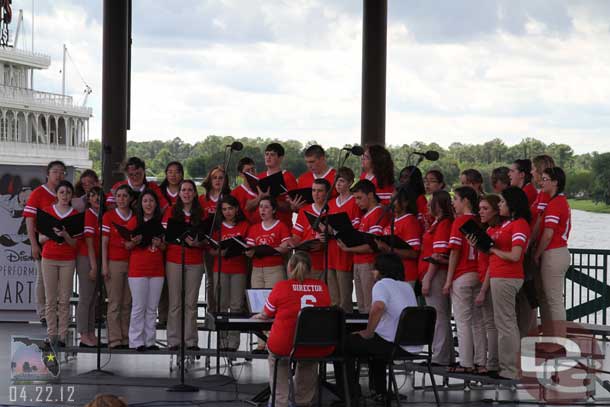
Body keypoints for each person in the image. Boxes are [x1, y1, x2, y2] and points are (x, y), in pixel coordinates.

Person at [338, 253, 420, 404]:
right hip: (411, 345)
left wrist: (368, 332)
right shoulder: (407, 286)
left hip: (394, 345)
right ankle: (380, 391)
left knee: (345, 344)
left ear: (382, 269)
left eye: (374, 268)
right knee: (376, 344)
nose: (372, 272)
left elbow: (378, 307)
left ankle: (349, 395)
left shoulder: (381, 285)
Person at [253, 251, 332, 407]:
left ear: (289, 267)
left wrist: (259, 316)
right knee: (308, 359)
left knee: (278, 359)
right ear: (310, 269)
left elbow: (266, 314)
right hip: (314, 343)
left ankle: (279, 401)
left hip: (285, 344)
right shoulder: (322, 287)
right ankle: (303, 401)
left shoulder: (281, 287)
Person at [488, 186, 531, 380]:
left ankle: (510, 369)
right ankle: (504, 366)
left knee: (506, 323)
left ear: (512, 204)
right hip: (499, 275)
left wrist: (494, 251)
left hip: (507, 276)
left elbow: (515, 255)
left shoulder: (520, 224)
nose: (499, 205)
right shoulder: (507, 224)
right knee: (503, 322)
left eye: (503, 202)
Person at [444, 186, 484, 374]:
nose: (453, 203)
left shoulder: (460, 221)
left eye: (456, 199)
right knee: (478, 321)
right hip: (479, 272)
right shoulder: (479, 220)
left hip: (462, 273)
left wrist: (448, 280)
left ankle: (466, 362)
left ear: (465, 201)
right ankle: (481, 361)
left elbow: (454, 251)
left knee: (463, 321)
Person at [162, 180, 205, 351]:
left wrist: (197, 243)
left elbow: (206, 239)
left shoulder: (201, 214)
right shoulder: (171, 212)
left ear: (195, 193)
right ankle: (173, 340)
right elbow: (166, 235)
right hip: (174, 259)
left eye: (190, 190)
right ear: (179, 193)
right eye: (183, 190)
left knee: (191, 304)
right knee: (175, 302)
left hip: (195, 261)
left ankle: (191, 341)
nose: (186, 193)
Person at [246, 196, 292, 353]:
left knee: (274, 305)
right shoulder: (254, 228)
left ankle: (273, 339)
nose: (262, 210)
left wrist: (270, 250)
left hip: (274, 268)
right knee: (258, 305)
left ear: (273, 210)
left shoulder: (281, 226)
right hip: (257, 269)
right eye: (260, 207)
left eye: (266, 207)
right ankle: (260, 343)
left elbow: (286, 247)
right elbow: (249, 251)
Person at [24, 160, 66, 325]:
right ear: (48, 174)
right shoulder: (38, 193)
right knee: (42, 278)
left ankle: (57, 312)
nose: (59, 174)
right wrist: (34, 244)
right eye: (55, 171)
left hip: (63, 245)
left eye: (62, 172)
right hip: (43, 243)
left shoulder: (65, 192)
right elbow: (29, 219)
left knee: (59, 282)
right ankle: (43, 313)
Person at [337, 179, 388, 313]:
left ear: (370, 195)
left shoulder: (377, 213)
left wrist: (348, 249)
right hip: (359, 261)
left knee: (369, 305)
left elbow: (372, 246)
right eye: (355, 199)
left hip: (368, 263)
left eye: (359, 198)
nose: (357, 202)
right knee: (362, 305)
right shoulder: (366, 215)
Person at [39, 180, 79, 347]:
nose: (65, 195)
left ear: (71, 195)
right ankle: (51, 335)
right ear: (56, 194)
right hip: (49, 258)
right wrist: (52, 233)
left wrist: (65, 234)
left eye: (68, 192)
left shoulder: (75, 214)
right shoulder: (47, 212)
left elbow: (76, 244)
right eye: (61, 192)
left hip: (67, 260)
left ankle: (62, 336)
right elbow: (40, 239)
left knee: (64, 299)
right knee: (50, 299)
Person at [533, 167, 571, 341]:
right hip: (558, 252)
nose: (542, 183)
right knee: (551, 299)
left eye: (546, 179)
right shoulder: (558, 201)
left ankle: (559, 340)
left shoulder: (556, 203)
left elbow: (548, 234)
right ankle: (553, 338)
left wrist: (536, 253)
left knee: (554, 300)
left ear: (555, 182)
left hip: (554, 253)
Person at [127, 190, 166, 351]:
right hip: (138, 269)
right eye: (145, 201)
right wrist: (134, 242)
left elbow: (165, 247)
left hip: (157, 270)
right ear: (140, 204)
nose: (148, 204)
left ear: (155, 204)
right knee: (138, 307)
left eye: (151, 201)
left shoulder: (161, 222)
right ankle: (136, 341)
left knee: (152, 308)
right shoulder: (134, 221)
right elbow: (127, 246)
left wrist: (159, 244)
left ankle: (150, 341)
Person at [209, 195, 249, 351]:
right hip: (220, 269)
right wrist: (219, 251)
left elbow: (249, 246)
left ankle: (233, 342)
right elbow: (210, 250)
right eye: (224, 209)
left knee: (237, 306)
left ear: (236, 209)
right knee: (221, 305)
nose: (227, 212)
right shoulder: (217, 227)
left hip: (239, 269)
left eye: (230, 208)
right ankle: (222, 341)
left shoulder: (244, 226)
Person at [418, 190, 454, 366]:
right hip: (431, 272)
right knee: (440, 315)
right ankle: (444, 354)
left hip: (436, 273)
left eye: (431, 202)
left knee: (439, 315)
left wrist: (428, 278)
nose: (427, 205)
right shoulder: (437, 223)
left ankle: (440, 356)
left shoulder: (444, 224)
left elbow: (438, 254)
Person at [470, 194, 502, 376]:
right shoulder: (488, 231)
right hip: (484, 278)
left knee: (491, 324)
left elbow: (492, 263)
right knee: (488, 322)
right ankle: (490, 361)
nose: (481, 212)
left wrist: (483, 290)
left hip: (489, 281)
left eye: (485, 209)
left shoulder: (496, 231)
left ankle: (493, 363)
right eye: (480, 208)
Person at [102, 184, 135, 349]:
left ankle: (125, 336)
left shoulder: (135, 217)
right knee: (114, 302)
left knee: (127, 302)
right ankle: (114, 338)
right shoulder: (109, 216)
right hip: (114, 262)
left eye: (125, 196)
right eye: (119, 196)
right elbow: (104, 242)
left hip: (132, 263)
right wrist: (104, 265)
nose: (121, 199)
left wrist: (133, 242)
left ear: (130, 199)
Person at [326, 167, 360, 312]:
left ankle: (345, 327)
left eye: (341, 181)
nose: (338, 184)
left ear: (350, 182)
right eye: (336, 181)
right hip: (332, 250)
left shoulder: (354, 202)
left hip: (345, 251)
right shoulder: (331, 202)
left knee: (345, 296)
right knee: (333, 296)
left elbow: (356, 226)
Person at [375, 185, 422, 285]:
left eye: (395, 199)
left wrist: (388, 249)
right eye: (391, 199)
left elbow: (414, 253)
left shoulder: (410, 221)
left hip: (405, 275)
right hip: (390, 274)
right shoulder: (393, 220)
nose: (391, 203)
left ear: (405, 202)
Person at [199, 166, 231, 312]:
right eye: (214, 177)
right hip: (208, 245)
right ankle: (211, 312)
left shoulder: (229, 199)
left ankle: (225, 311)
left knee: (224, 281)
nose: (218, 181)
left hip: (225, 244)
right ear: (209, 180)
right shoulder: (202, 200)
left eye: (221, 178)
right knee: (211, 281)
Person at [77, 186, 103, 347]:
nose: (97, 199)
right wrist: (94, 266)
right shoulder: (88, 215)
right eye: (93, 196)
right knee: (85, 298)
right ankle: (83, 334)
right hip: (87, 258)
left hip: (97, 257)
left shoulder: (101, 215)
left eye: (99, 196)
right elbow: (88, 242)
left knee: (94, 299)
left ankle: (91, 332)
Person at [290, 179, 330, 279]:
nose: (316, 194)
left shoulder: (332, 209)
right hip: (306, 263)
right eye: (313, 190)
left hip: (326, 263)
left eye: (320, 191)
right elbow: (296, 236)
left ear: (327, 193)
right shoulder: (304, 210)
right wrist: (292, 243)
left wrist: (323, 244)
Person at [257, 143, 300, 227]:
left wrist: (271, 199)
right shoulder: (259, 177)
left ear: (280, 158)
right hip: (262, 227)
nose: (268, 157)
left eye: (272, 154)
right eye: (266, 154)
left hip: (283, 225)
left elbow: (292, 206)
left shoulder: (288, 177)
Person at [231, 157, 263, 224]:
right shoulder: (235, 193)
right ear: (241, 174)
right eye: (247, 171)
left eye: (253, 169)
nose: (251, 172)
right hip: (245, 229)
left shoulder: (262, 189)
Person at [399, 166, 428, 230]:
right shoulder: (400, 196)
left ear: (414, 179)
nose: (402, 180)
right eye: (401, 177)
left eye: (406, 177)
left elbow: (423, 221)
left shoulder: (420, 198)